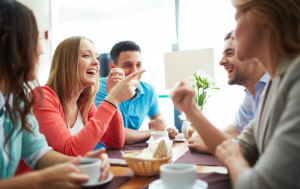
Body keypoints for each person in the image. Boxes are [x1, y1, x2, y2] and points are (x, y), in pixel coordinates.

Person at [170, 0, 300, 188]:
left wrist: (232, 160)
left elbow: (260, 184)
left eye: (237, 20)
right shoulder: (274, 83)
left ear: (265, 22)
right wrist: (190, 110)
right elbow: (243, 148)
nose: (235, 33)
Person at [0, 0, 109, 187]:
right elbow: (70, 148)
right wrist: (41, 180)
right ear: (7, 44)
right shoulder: (40, 97)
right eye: (34, 39)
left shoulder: (16, 101)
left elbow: (37, 152)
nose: (41, 51)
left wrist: (83, 163)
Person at [15, 37, 145, 175]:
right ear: (67, 63)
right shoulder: (42, 97)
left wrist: (112, 97)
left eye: (96, 57)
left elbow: (115, 142)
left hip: (67, 178)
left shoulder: (83, 102)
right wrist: (111, 100)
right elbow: (70, 152)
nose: (96, 62)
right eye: (86, 55)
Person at [188, 31, 270, 153]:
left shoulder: (277, 87)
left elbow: (266, 146)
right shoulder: (251, 91)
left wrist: (216, 144)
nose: (221, 62)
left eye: (230, 53)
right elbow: (238, 128)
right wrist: (208, 138)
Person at [95, 41, 178, 144]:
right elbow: (112, 134)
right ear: (113, 67)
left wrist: (168, 130)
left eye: (138, 65)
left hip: (131, 153)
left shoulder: (148, 91)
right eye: (127, 65)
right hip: (101, 155)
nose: (134, 71)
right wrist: (152, 132)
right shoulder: (99, 87)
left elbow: (160, 124)